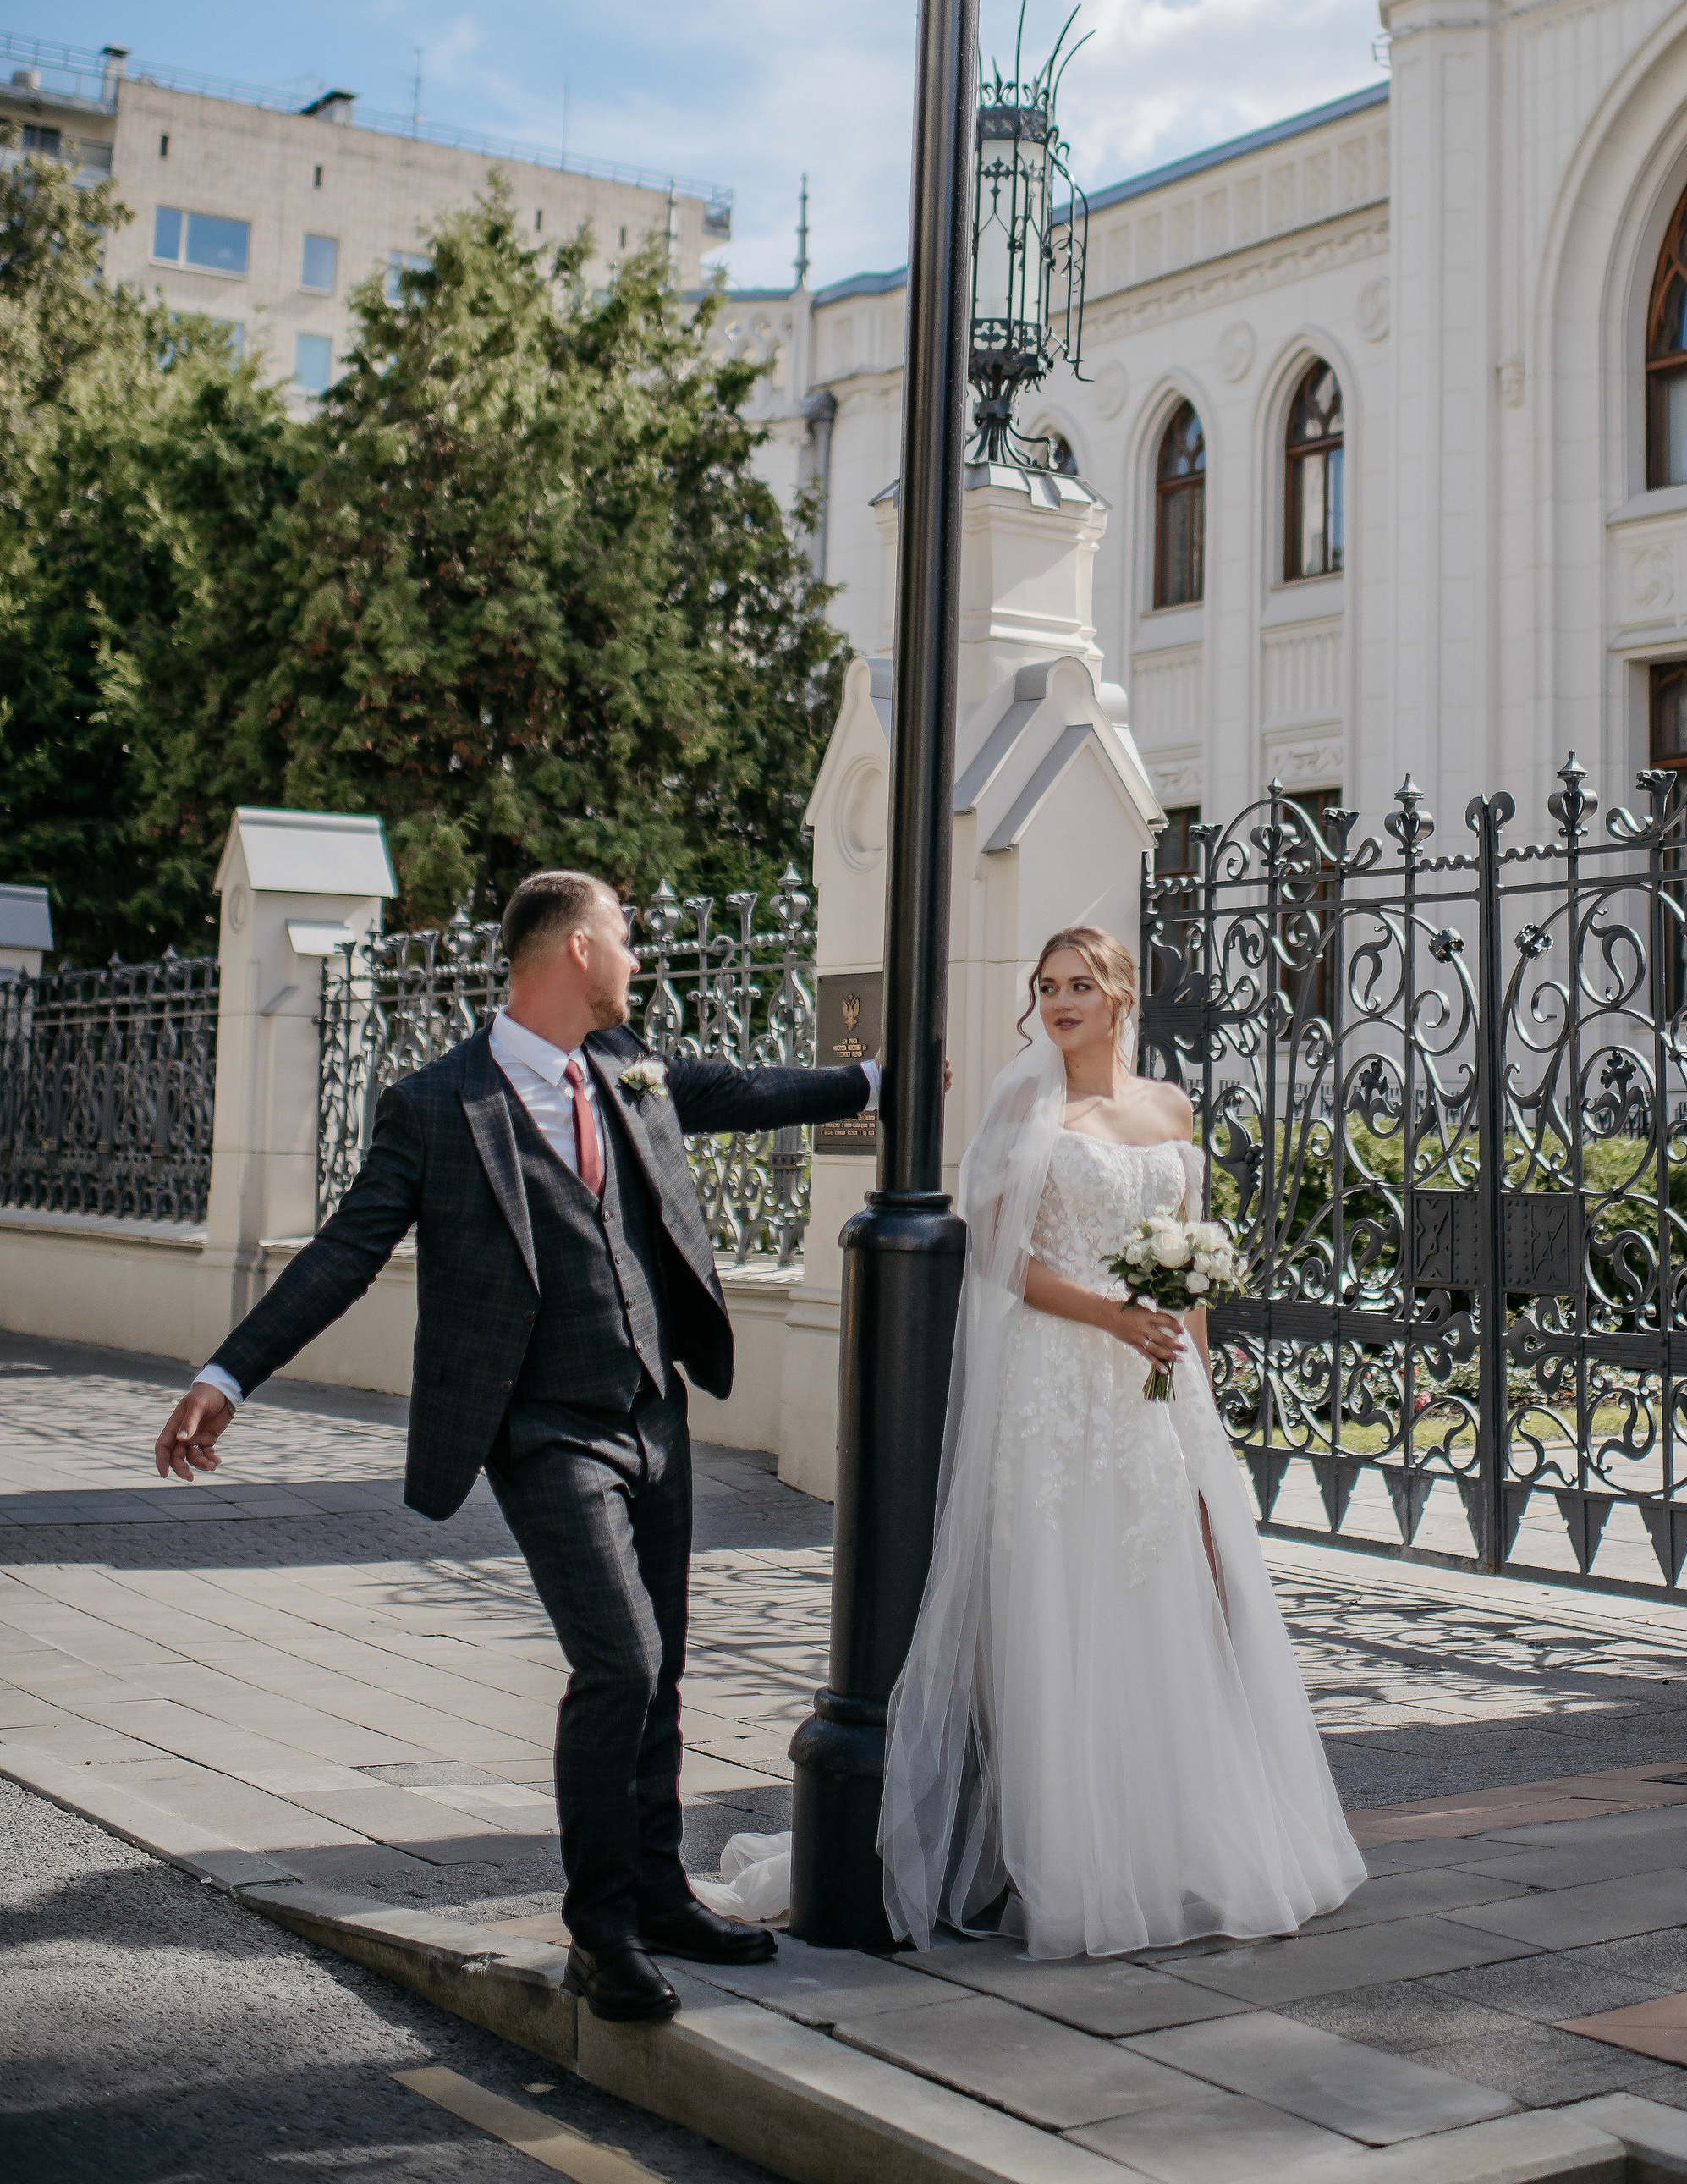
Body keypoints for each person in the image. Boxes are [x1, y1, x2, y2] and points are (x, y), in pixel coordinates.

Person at [150, 868, 881, 2026]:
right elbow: (346, 1249)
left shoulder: (624, 1068)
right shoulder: (438, 1102)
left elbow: (737, 1088)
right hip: (541, 1430)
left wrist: (879, 1077)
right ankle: (600, 1933)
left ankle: (657, 1892)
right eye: (625, 938)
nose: (637, 956)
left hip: (653, 1413)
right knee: (620, 1662)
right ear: (576, 948)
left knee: (663, 1672)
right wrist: (227, 1371)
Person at [876, 924, 1364, 1959]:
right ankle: (1077, 1868)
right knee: (1068, 1605)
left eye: (1080, 985)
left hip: (1155, 1389)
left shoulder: (1170, 1108)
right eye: (1046, 985)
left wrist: (1197, 1389)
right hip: (1058, 1380)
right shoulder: (1028, 1107)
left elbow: (1188, 1273)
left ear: (1119, 997)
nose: (1060, 1001)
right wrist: (1108, 1317)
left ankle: (1176, 1847)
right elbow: (1003, 1261)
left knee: (1165, 1602)